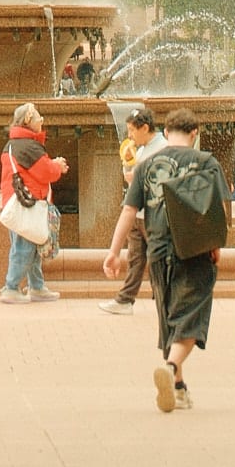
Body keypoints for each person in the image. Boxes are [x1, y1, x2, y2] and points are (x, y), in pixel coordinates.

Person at [104, 107, 231, 411]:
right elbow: (220, 207)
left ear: (165, 132)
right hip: (196, 249)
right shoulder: (206, 162)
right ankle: (172, 367)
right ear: (194, 133)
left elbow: (129, 211)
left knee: (170, 317)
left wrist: (114, 252)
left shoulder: (146, 166)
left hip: (158, 249)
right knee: (191, 316)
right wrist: (216, 244)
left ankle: (178, 388)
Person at [0, 101, 68, 304]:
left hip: (19, 203)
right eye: (38, 117)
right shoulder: (28, 147)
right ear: (28, 120)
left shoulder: (15, 144)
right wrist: (57, 166)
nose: (42, 120)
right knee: (25, 249)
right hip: (28, 205)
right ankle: (11, 288)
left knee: (32, 245)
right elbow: (46, 172)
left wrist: (52, 165)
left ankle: (37, 287)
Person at [99, 107, 164, 316]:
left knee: (158, 259)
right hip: (137, 212)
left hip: (152, 214)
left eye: (132, 130)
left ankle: (164, 298)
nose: (129, 135)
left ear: (144, 128)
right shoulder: (141, 148)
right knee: (136, 258)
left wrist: (136, 178)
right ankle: (125, 299)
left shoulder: (162, 148)